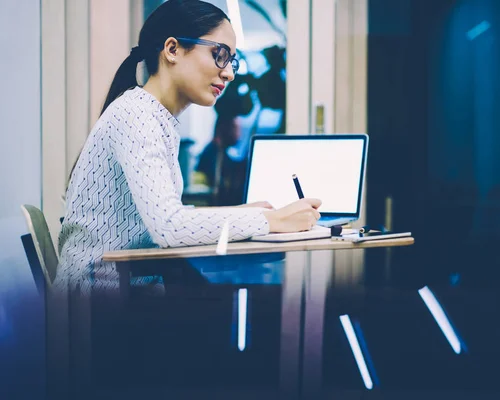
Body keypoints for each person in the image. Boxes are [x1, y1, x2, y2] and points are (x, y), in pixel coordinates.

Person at [57, 0, 321, 293]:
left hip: (122, 294)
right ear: (172, 50)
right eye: (219, 54)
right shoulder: (137, 115)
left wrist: (243, 212)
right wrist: (268, 220)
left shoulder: (154, 116)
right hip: (98, 305)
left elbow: (165, 216)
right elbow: (170, 226)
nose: (229, 73)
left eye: (231, 61)